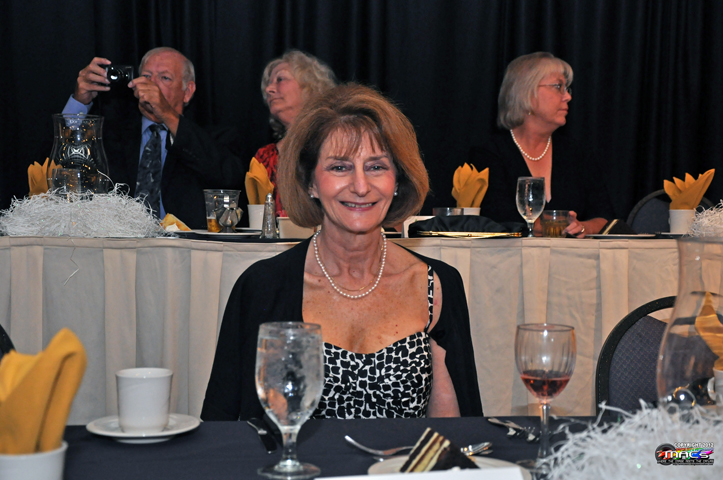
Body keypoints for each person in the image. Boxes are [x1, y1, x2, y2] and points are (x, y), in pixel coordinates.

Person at [201, 84, 483, 421]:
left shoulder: (436, 286)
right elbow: (222, 429)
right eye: (339, 167)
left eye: (376, 167)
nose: (361, 186)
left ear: (397, 180)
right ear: (310, 182)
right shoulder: (261, 287)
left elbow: (455, 433)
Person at [62, 47, 246, 229]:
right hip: (119, 241)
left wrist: (167, 114)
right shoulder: (111, 132)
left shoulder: (214, 137)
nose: (152, 84)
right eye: (146, 76)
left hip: (185, 244)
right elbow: (63, 161)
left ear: (188, 91)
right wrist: (80, 102)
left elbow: (229, 177)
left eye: (164, 78)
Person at [469, 52, 613, 237]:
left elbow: (605, 217)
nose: (567, 97)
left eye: (567, 89)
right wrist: (558, 227)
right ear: (527, 93)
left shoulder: (577, 154)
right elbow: (498, 218)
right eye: (558, 87)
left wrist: (581, 227)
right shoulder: (489, 153)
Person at [253, 50, 336, 215]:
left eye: (280, 79)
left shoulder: (334, 144)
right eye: (269, 84)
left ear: (310, 86)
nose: (269, 89)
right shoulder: (265, 157)